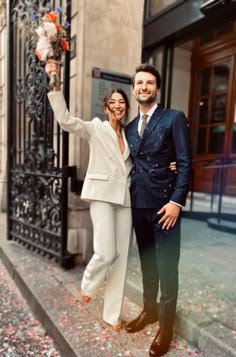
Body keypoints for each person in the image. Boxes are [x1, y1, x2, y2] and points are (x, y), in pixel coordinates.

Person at [45, 60, 132, 331]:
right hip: (102, 196)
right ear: (106, 108)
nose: (118, 106)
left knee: (121, 257)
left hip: (125, 199)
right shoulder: (96, 128)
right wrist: (55, 82)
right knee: (106, 252)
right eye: (113, 102)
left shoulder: (131, 136)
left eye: (122, 102)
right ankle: (89, 283)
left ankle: (112, 314)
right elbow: (66, 121)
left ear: (125, 107)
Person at [125, 64, 192, 357]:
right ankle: (149, 312)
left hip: (166, 207)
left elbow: (186, 162)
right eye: (139, 82)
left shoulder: (173, 118)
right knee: (148, 264)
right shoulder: (128, 128)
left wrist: (177, 202)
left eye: (149, 82)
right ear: (134, 88)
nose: (144, 87)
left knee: (167, 269)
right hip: (139, 205)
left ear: (157, 88)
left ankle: (166, 328)